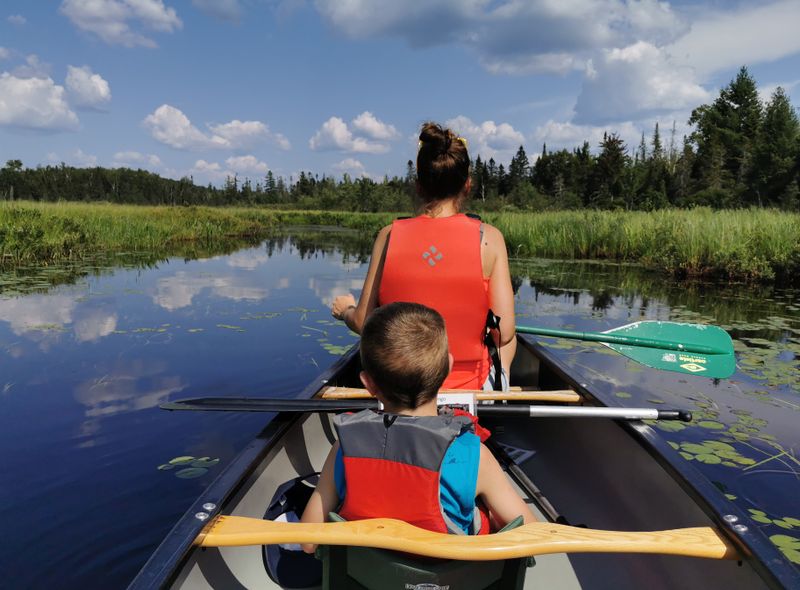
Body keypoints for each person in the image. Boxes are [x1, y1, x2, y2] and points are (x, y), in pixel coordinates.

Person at [300, 302, 535, 553]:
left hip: (362, 573)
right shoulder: (474, 455)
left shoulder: (344, 449)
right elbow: (531, 535)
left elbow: (308, 543)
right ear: (448, 369)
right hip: (450, 572)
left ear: (368, 384)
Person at [331, 122, 516, 391]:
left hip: (402, 388)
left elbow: (363, 322)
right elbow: (503, 334)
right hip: (468, 389)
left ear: (418, 186)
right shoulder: (489, 238)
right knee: (511, 340)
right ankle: (501, 382)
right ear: (467, 185)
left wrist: (346, 311)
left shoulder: (388, 236)